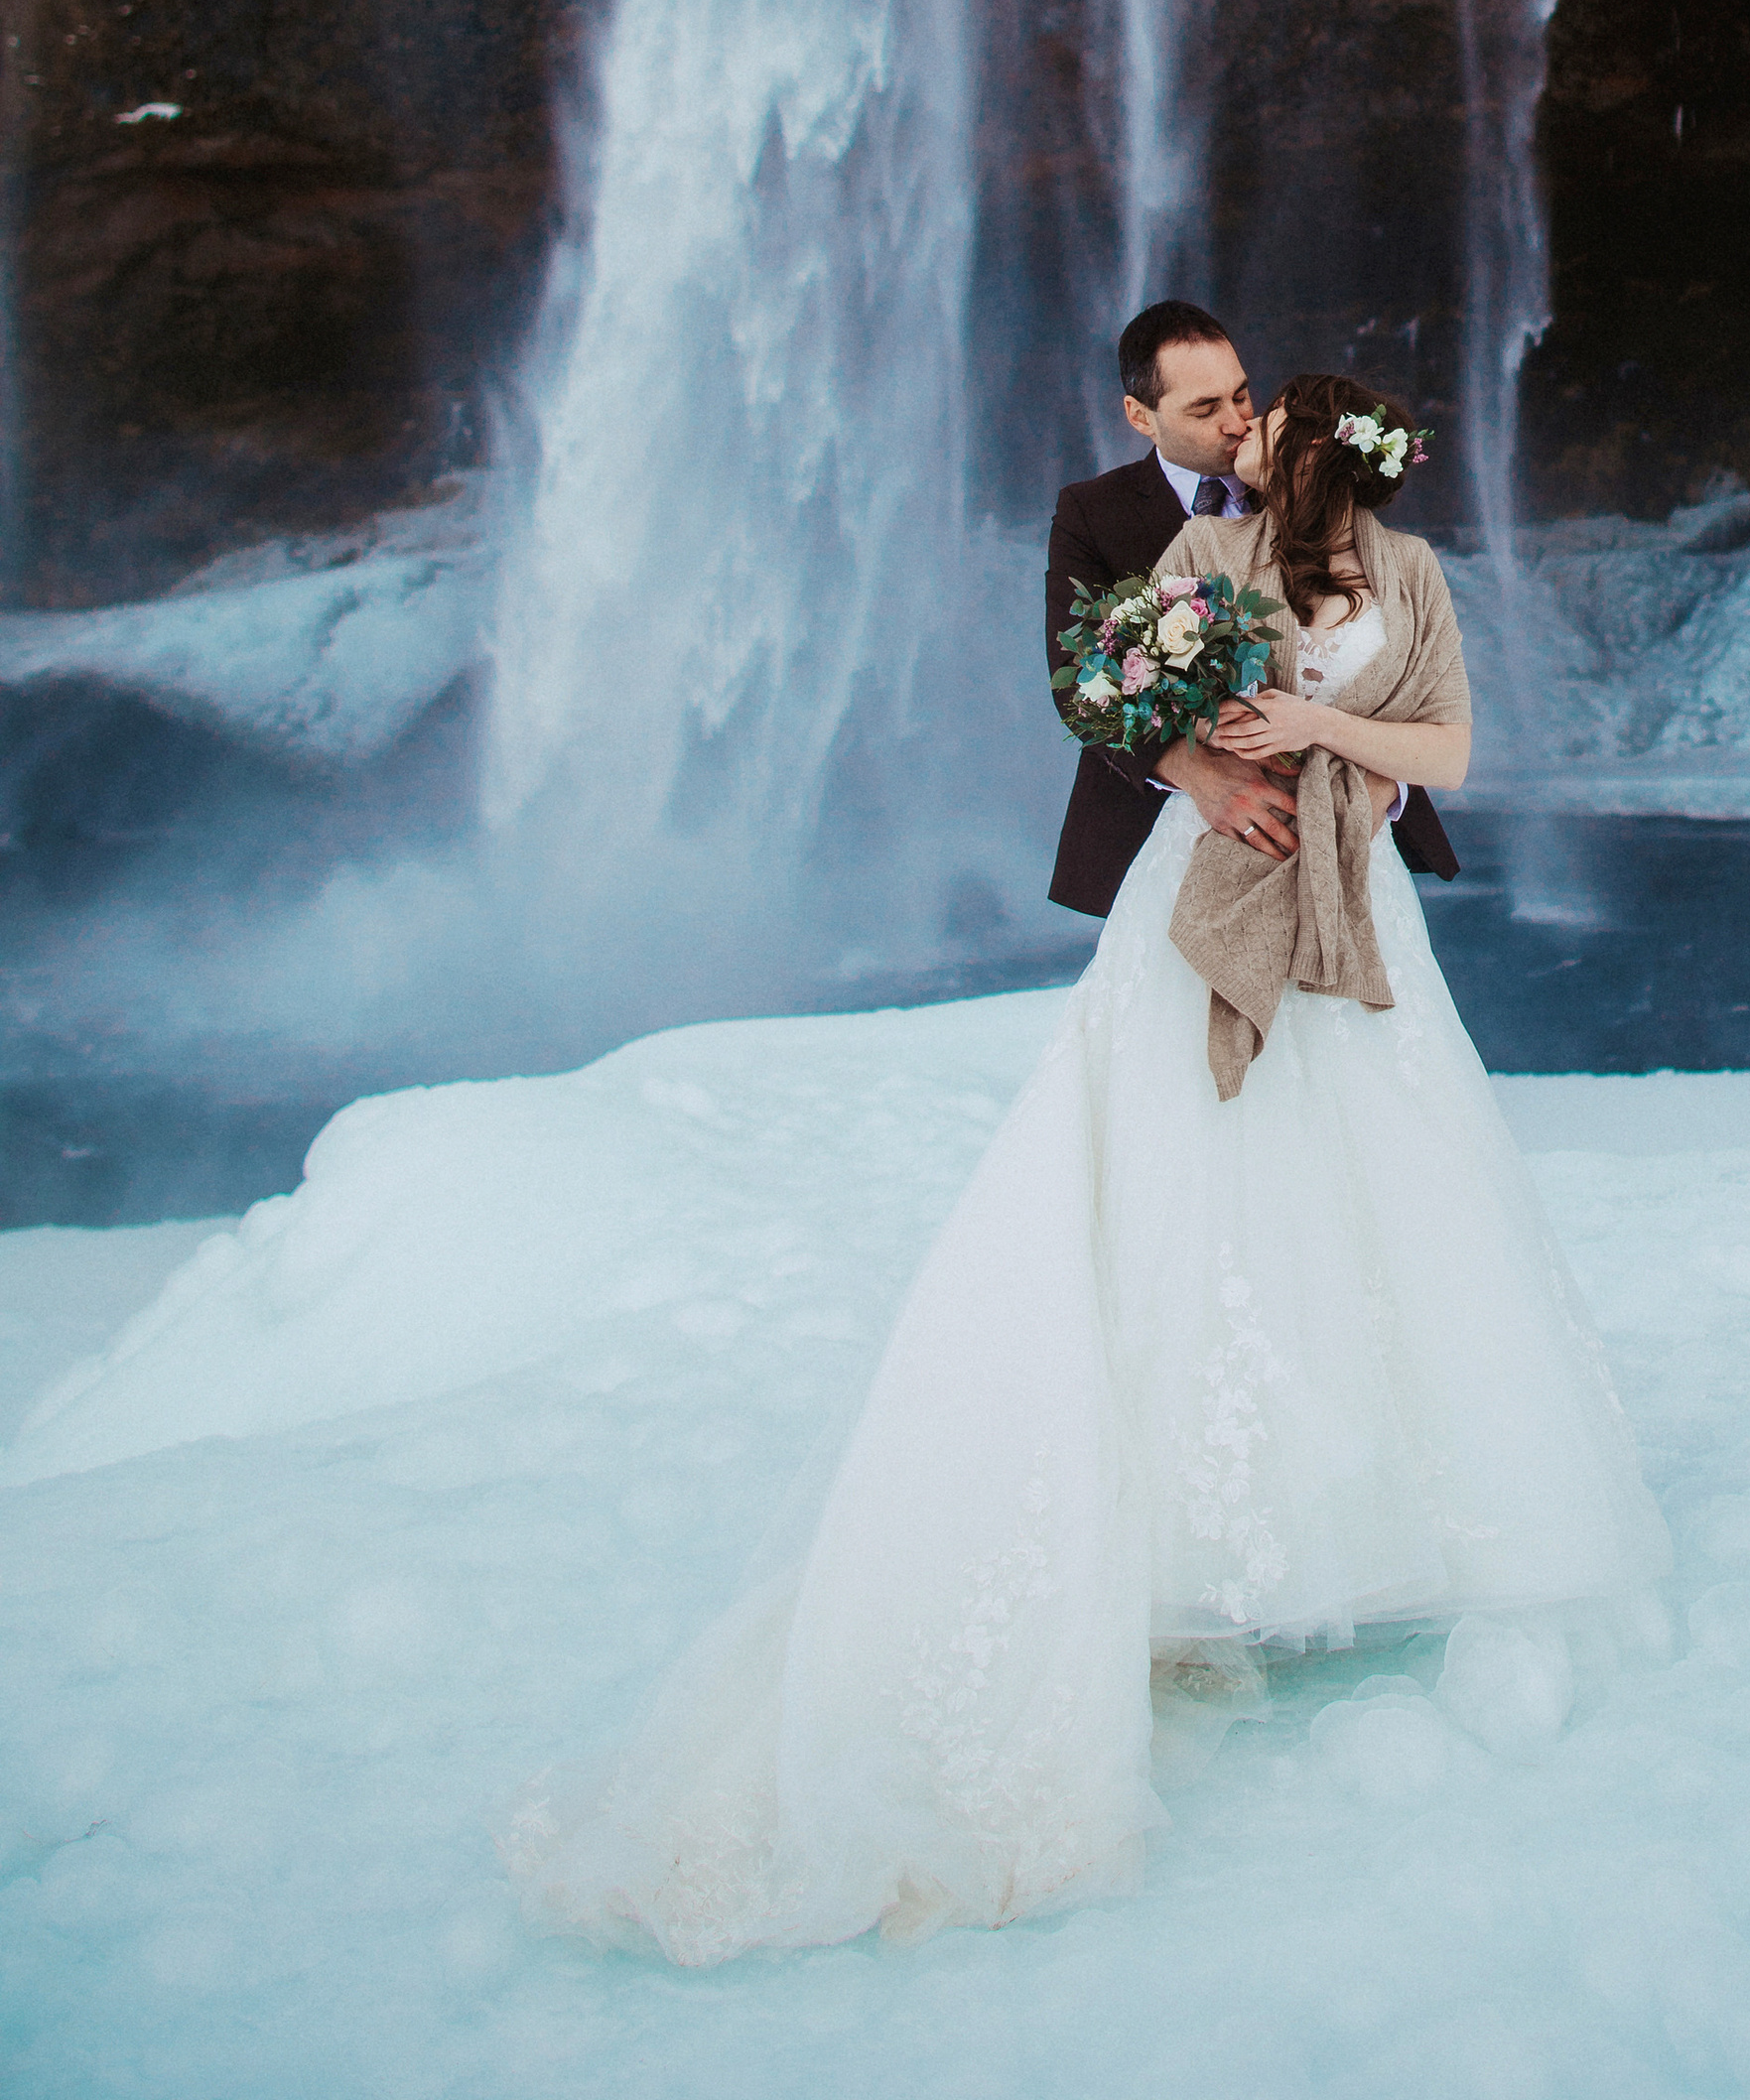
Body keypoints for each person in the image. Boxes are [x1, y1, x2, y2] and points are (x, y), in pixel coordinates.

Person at [504, 369, 1670, 1963]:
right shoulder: (1196, 563)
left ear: (1333, 458)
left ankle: (1379, 1518)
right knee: (1185, 1190)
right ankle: (1182, 1536)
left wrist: (1331, 733)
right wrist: (1204, 763)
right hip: (1212, 891)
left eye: (1267, 425)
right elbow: (1118, 700)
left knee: (1380, 1197)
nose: (1244, 438)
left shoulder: (1410, 573)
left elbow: (1448, 749)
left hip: (1364, 919)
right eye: (1231, 416)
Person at [1043, 299, 1456, 911]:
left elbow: (1391, 659)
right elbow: (1081, 683)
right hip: (1168, 832)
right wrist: (1196, 773)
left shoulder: (1314, 478)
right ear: (1140, 416)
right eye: (1205, 408)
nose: (1237, 421)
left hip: (1344, 827)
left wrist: (1380, 780)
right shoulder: (1092, 512)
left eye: (1241, 396)